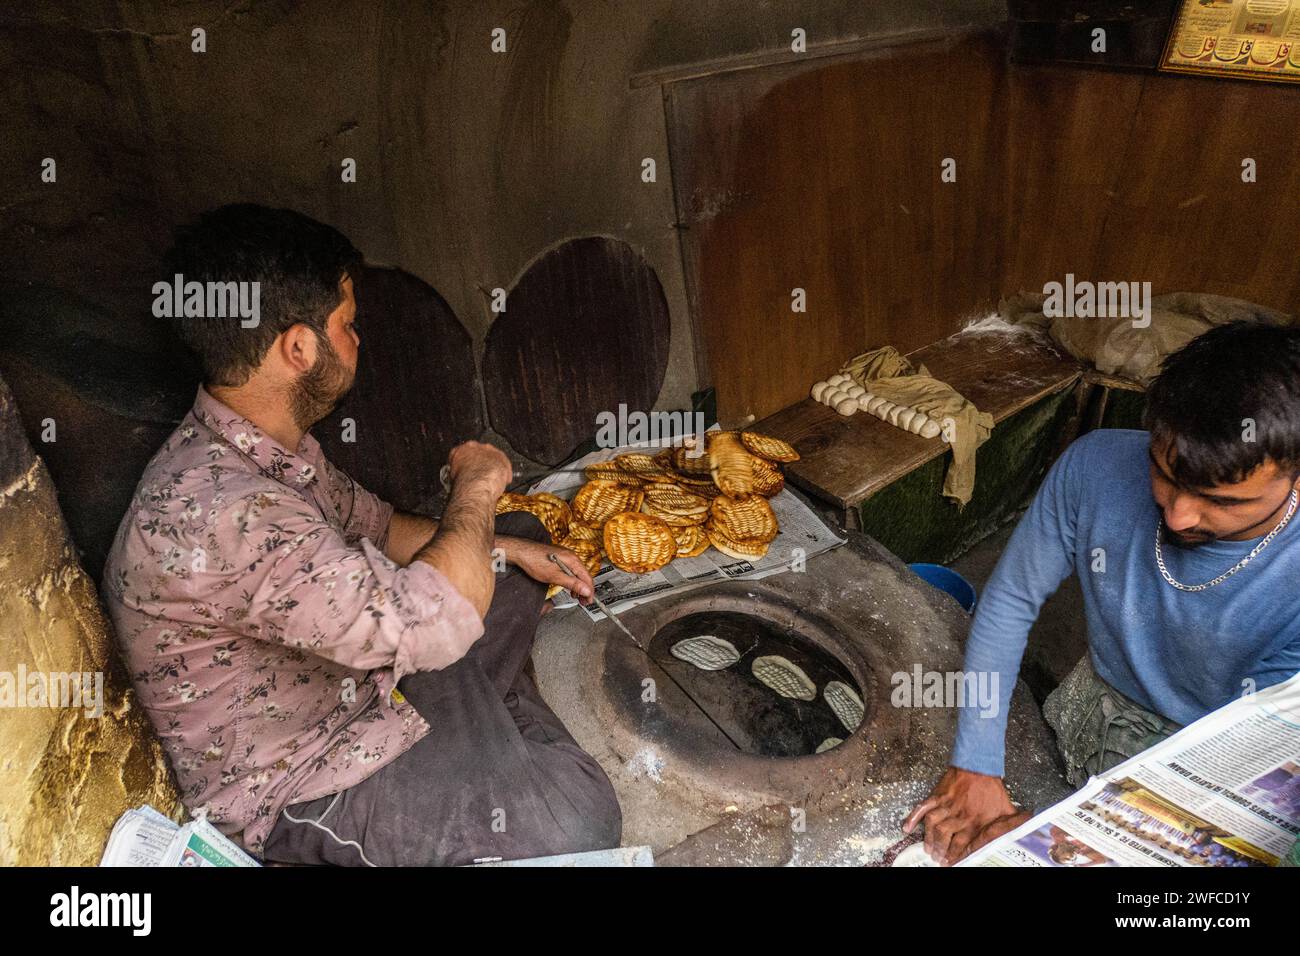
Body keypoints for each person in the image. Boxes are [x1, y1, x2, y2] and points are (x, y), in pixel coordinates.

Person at [102, 204, 621, 865]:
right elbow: (433, 617)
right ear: (299, 348)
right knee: (579, 819)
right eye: (347, 326)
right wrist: (477, 484)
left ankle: (481, 722)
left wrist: (511, 547)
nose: (358, 341)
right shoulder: (224, 512)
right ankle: (494, 736)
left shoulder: (261, 445)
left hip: (360, 677)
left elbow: (379, 525)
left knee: (510, 545)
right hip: (307, 777)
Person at [905, 320, 1300, 864]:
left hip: (1219, 752)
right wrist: (976, 763)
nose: (1179, 515)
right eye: (1165, 475)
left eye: (1222, 501)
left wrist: (1081, 841)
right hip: (1098, 704)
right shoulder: (1095, 466)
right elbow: (1010, 602)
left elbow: (1258, 748)